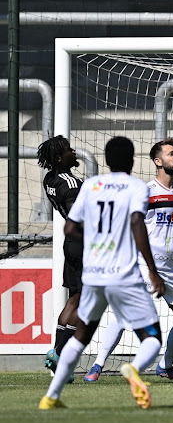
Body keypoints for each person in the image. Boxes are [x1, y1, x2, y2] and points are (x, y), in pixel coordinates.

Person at [39, 136, 165, 410]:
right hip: (123, 273)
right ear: (132, 160)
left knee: (82, 335)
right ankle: (134, 369)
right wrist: (153, 272)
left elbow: (70, 228)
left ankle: (51, 396)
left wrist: (96, 239)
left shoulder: (91, 185)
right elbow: (136, 224)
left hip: (93, 270)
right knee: (153, 338)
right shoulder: (136, 187)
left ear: (106, 161)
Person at [84, 138, 173, 381]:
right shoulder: (146, 192)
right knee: (124, 315)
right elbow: (132, 225)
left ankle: (165, 365)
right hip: (144, 264)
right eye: (171, 153)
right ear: (158, 161)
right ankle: (97, 365)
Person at [37, 136, 84, 383]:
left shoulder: (50, 179)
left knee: (74, 300)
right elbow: (78, 217)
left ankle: (57, 357)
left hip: (72, 246)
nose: (73, 151)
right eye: (68, 150)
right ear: (59, 158)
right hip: (84, 243)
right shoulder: (70, 182)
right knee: (83, 303)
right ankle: (61, 356)